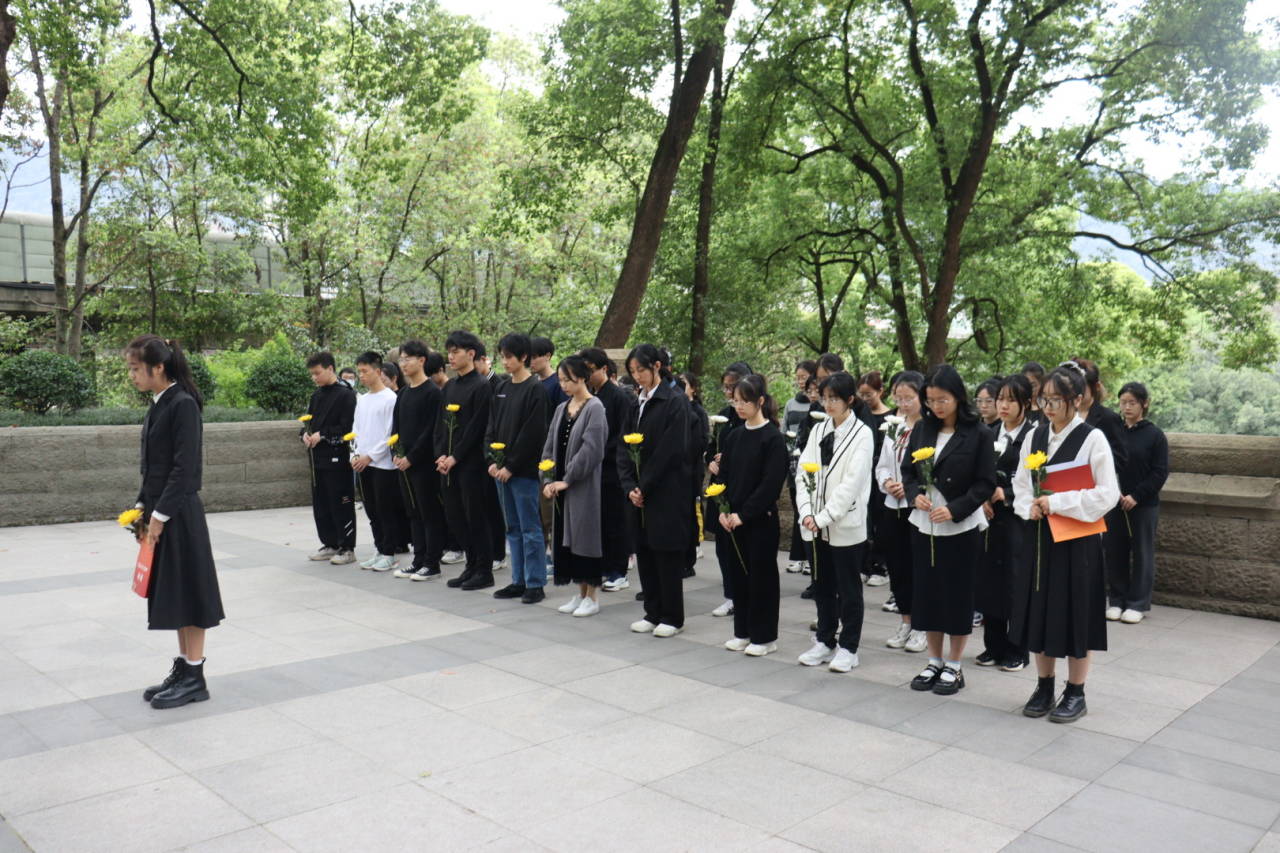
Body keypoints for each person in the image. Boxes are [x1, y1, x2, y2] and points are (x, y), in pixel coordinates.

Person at [1011, 363, 1119, 723]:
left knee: (1077, 614)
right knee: (1040, 611)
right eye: (1044, 399)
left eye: (1056, 400)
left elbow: (1107, 494)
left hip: (1078, 541)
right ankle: (1044, 685)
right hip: (1040, 538)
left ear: (1076, 399)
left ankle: (1076, 691)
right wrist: (1028, 506)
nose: (1048, 407)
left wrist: (1057, 502)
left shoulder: (1092, 438)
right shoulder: (1035, 436)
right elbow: (1021, 482)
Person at [127, 334, 225, 709]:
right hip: (161, 512)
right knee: (177, 595)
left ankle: (195, 677)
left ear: (158, 367)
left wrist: (160, 515)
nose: (132, 375)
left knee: (190, 594)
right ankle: (185, 668)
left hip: (179, 515)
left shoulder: (182, 404)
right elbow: (153, 466)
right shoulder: (160, 403)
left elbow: (184, 470)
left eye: (136, 368)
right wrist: (141, 507)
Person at [902, 364, 996, 696]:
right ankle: (934, 659)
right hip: (925, 524)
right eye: (931, 400)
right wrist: (914, 495)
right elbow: (908, 472)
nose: (936, 406)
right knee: (927, 593)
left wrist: (955, 508)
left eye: (942, 399)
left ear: (958, 397)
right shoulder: (922, 429)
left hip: (960, 525)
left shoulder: (979, 433)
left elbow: (985, 483)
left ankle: (954, 664)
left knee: (957, 594)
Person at [795, 371, 874, 671]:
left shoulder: (862, 434)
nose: (828, 404)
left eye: (834, 399)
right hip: (814, 524)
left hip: (844, 524)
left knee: (849, 589)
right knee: (822, 585)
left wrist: (824, 516)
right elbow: (803, 472)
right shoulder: (818, 430)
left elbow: (852, 484)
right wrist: (806, 512)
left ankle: (849, 647)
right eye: (824, 398)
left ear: (849, 400)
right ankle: (825, 640)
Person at [712, 374, 789, 656]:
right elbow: (723, 477)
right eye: (735, 401)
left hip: (760, 520)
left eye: (745, 401)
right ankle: (742, 632)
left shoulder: (773, 439)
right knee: (738, 576)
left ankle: (764, 637)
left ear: (760, 401)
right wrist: (723, 510)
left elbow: (770, 485)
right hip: (733, 520)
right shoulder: (734, 436)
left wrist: (744, 514)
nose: (739, 406)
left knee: (761, 578)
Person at [620, 344, 691, 637]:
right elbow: (623, 446)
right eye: (633, 371)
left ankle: (672, 616)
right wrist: (629, 485)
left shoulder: (674, 401)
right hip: (638, 493)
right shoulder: (635, 402)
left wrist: (645, 484)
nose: (637, 376)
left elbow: (671, 450)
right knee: (645, 550)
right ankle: (652, 611)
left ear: (657, 367)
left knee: (666, 552)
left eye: (641, 370)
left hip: (665, 490)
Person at [976, 374, 1036, 671]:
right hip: (990, 518)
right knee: (989, 582)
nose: (1004, 405)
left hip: (1019, 520)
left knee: (1015, 583)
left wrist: (1007, 492)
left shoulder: (1035, 436)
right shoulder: (988, 432)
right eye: (1000, 399)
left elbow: (1038, 478)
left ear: (1027, 403)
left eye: (1011, 400)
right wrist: (982, 498)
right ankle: (993, 645)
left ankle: (1017, 649)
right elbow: (976, 472)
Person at [488, 333, 550, 604]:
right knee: (512, 527)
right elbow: (491, 426)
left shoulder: (535, 389)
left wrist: (511, 465)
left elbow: (533, 434)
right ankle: (518, 580)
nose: (505, 362)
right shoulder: (502, 387)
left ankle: (535, 583)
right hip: (500, 471)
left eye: (509, 357)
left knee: (530, 528)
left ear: (523, 357)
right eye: (502, 356)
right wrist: (492, 460)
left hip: (523, 473)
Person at [544, 355, 609, 616]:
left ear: (582, 378)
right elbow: (549, 446)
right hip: (560, 484)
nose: (563, 385)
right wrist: (547, 478)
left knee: (585, 537)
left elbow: (592, 449)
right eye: (560, 380)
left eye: (567, 380)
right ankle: (580, 592)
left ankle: (592, 595)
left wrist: (568, 478)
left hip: (583, 485)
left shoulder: (595, 407)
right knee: (566, 539)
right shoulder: (562, 408)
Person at [1069, 357, 1129, 622]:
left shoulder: (1107, 418)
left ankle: (1114, 598)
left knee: (1106, 547)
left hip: (1097, 492)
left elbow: (1121, 457)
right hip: (1068, 493)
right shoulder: (1062, 417)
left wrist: (1092, 465)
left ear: (1093, 387)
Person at [435, 331, 496, 590]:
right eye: (449, 352)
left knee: (476, 516)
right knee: (455, 516)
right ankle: (470, 566)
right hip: (448, 464)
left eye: (456, 352)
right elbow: (440, 424)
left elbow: (477, 427)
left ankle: (484, 570)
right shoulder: (450, 386)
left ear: (471, 354)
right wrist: (440, 454)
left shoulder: (481, 386)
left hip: (471, 464)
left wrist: (455, 456)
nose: (450, 357)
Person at [877, 371, 928, 654]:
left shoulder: (929, 428)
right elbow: (883, 464)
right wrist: (887, 482)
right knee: (897, 567)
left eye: (909, 398)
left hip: (916, 507)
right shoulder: (893, 427)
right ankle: (906, 621)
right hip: (892, 505)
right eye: (899, 399)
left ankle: (922, 626)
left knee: (918, 566)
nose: (904, 404)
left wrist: (909, 488)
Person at [1112, 381, 1168, 624]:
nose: (1127, 407)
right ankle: (1116, 599)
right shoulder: (1114, 432)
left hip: (1144, 505)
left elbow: (1160, 472)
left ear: (1144, 404)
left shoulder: (1155, 435)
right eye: (1123, 402)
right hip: (1115, 501)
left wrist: (1136, 496)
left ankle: (1137, 603)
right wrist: (1114, 493)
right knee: (1115, 551)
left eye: (1132, 402)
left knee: (1142, 553)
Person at [390, 341, 446, 581]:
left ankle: (432, 563)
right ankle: (418, 560)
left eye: (408, 359)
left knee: (428, 512)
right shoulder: (403, 393)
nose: (403, 364)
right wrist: (396, 452)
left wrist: (411, 457)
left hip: (423, 464)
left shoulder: (432, 392)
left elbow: (431, 430)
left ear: (422, 360)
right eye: (401, 359)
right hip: (404, 463)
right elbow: (396, 428)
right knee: (413, 512)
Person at [581, 348, 636, 593]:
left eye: (590, 370)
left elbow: (623, 435)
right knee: (600, 521)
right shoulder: (591, 396)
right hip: (595, 470)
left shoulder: (618, 397)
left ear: (604, 369)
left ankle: (618, 571)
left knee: (616, 521)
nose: (586, 376)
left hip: (613, 469)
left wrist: (600, 450)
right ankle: (605, 566)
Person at [350, 351, 406, 572]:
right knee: (372, 511)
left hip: (383, 465)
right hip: (363, 464)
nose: (361, 376)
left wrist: (370, 456)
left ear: (378, 371)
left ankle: (389, 553)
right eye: (359, 372)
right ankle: (380, 548)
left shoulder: (390, 399)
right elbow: (355, 430)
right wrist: (355, 454)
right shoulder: (362, 400)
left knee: (385, 510)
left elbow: (390, 434)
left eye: (365, 371)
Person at [705, 361, 753, 616]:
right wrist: (711, 462)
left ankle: (746, 594)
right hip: (720, 487)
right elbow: (710, 448)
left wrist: (732, 459)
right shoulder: (723, 415)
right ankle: (730, 595)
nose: (728, 393)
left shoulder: (753, 417)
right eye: (725, 387)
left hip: (742, 491)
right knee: (722, 546)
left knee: (741, 546)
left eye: (732, 387)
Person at [303, 351, 358, 566]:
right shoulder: (316, 396)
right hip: (318, 459)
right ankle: (330, 543)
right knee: (322, 503)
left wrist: (324, 434)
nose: (314, 378)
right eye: (312, 374)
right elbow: (309, 422)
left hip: (338, 459)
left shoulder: (346, 395)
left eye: (317, 373)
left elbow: (348, 427)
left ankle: (347, 547)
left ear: (330, 369)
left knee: (341, 502)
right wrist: (305, 434)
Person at [857, 370, 892, 588]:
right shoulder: (859, 414)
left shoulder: (891, 417)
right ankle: (863, 565)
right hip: (864, 474)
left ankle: (880, 565)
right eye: (861, 395)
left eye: (869, 394)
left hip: (883, 475)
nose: (865, 399)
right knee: (864, 519)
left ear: (881, 391)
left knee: (881, 521)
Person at [783, 360, 819, 574]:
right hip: (795, 462)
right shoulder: (791, 404)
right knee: (799, 509)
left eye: (804, 377)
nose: (800, 381)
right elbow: (785, 430)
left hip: (814, 465)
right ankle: (798, 556)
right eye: (797, 377)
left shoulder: (820, 407)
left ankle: (810, 558)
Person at [679, 371, 709, 576]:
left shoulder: (698, 412)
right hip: (678, 471)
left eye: (684, 384)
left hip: (691, 470)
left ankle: (689, 559)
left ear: (693, 388)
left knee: (691, 513)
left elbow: (702, 442)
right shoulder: (675, 407)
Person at [531, 336, 569, 414]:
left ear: (548, 356)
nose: (531, 362)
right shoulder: (532, 382)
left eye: (534, 357)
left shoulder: (559, 382)